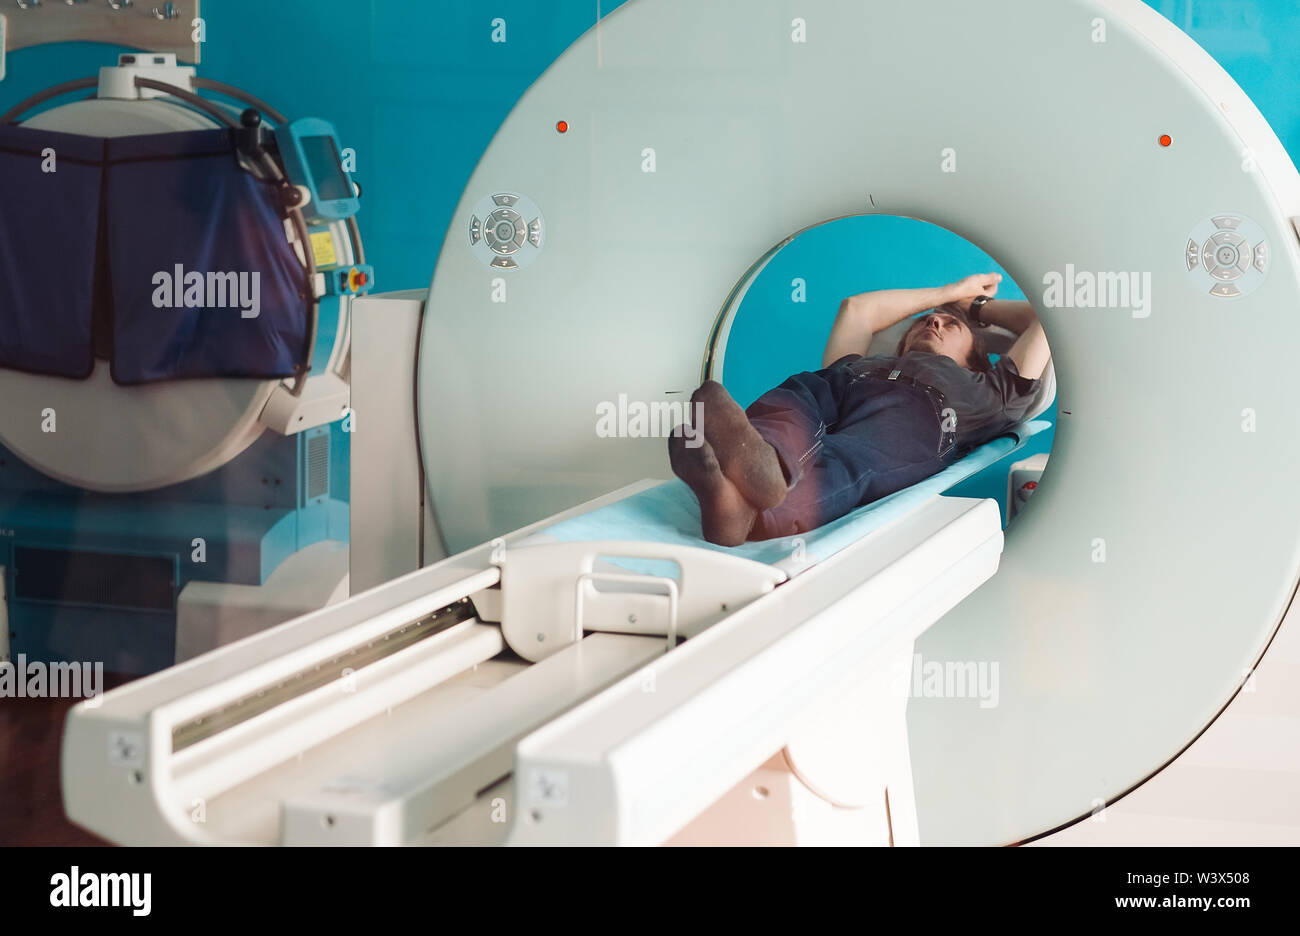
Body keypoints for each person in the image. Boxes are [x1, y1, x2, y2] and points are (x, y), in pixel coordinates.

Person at [668, 273, 1051, 545]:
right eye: (927, 320)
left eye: (951, 325)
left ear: (975, 362)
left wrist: (977, 308)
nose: (935, 319)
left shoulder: (995, 390)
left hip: (921, 413)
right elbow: (857, 309)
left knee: (851, 458)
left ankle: (739, 508)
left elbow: (1048, 314)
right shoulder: (860, 359)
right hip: (841, 383)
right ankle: (759, 465)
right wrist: (948, 293)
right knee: (792, 402)